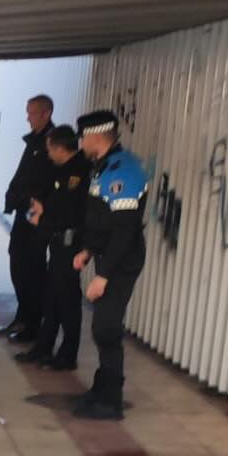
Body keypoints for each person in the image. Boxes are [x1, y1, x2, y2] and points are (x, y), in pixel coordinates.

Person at [69, 109, 148, 419]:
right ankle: (101, 390)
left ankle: (111, 401)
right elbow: (101, 220)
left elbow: (124, 229)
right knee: (102, 326)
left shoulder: (123, 172)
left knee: (107, 327)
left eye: (82, 137)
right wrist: (88, 250)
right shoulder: (103, 168)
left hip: (121, 261)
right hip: (107, 256)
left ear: (96, 136)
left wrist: (103, 276)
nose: (80, 143)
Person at [15, 126, 89, 370]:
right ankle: (43, 347)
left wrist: (43, 220)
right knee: (52, 297)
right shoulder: (62, 170)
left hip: (70, 244)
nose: (48, 154)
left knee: (67, 301)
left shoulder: (78, 173)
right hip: (58, 242)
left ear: (59, 148)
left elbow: (71, 214)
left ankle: (68, 355)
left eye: (49, 149)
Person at [0, 94, 56, 341]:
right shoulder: (34, 141)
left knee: (33, 270)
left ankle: (33, 325)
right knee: (18, 264)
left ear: (46, 113)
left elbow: (44, 183)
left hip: (37, 217)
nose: (27, 118)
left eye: (31, 113)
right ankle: (23, 317)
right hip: (24, 213)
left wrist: (29, 200)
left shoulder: (51, 142)